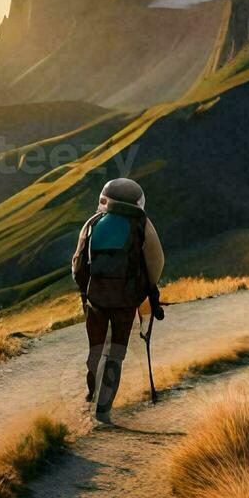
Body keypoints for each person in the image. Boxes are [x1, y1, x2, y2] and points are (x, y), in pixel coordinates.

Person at [71, 178, 165, 423]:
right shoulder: (142, 224)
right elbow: (156, 264)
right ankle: (103, 411)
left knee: (96, 350)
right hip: (125, 301)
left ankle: (91, 395)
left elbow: (77, 265)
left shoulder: (93, 223)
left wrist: (87, 291)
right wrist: (143, 291)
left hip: (95, 300)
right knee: (116, 353)